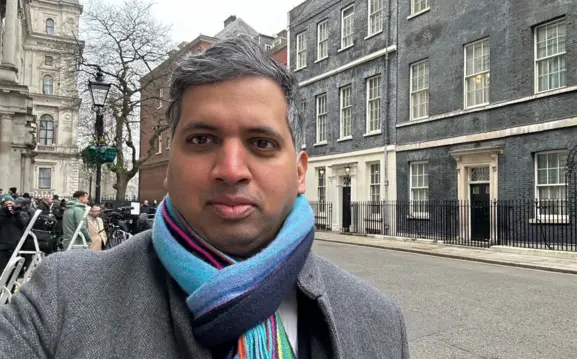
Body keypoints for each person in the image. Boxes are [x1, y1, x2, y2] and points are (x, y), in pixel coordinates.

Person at [0, 37, 409, 358]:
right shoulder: (60, 301)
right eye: (202, 139)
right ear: (169, 165)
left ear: (300, 172)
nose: (231, 169)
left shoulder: (377, 321)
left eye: (262, 143)